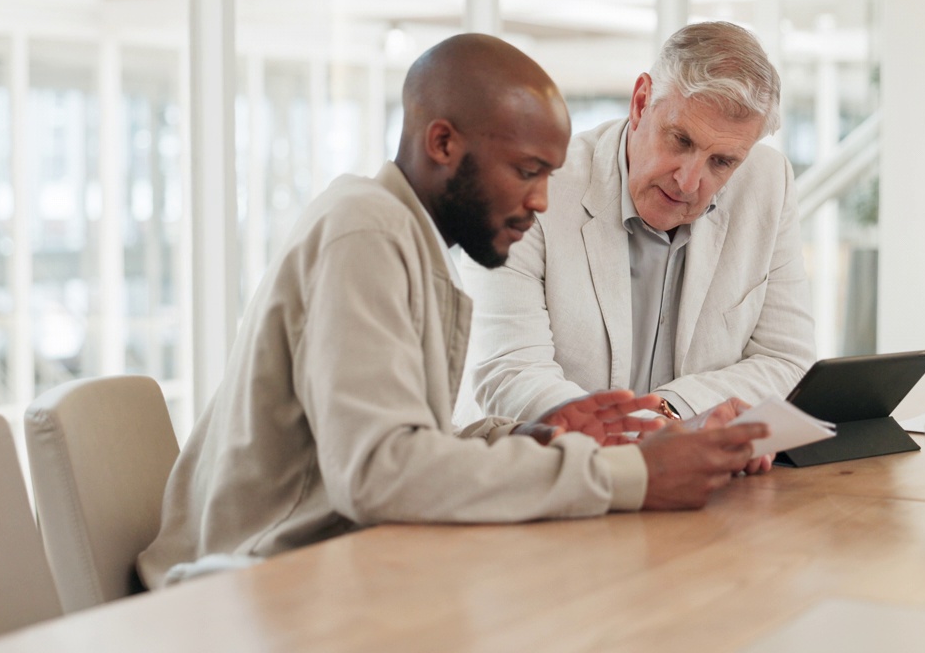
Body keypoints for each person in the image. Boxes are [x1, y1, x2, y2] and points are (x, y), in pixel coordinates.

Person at [137, 33, 769, 589]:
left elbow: (397, 446)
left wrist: (527, 437)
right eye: (526, 171)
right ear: (442, 142)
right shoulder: (365, 230)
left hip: (318, 570)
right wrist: (626, 475)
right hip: (240, 590)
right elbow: (380, 473)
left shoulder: (405, 237)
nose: (542, 200)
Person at [462, 22, 815, 436]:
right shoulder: (534, 190)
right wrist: (651, 433)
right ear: (641, 101)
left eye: (722, 162)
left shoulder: (767, 183)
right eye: (680, 140)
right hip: (549, 477)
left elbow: (788, 363)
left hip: (702, 477)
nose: (688, 181)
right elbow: (511, 375)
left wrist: (671, 412)